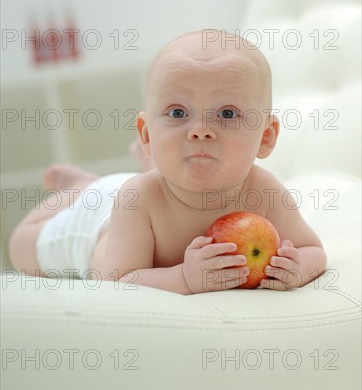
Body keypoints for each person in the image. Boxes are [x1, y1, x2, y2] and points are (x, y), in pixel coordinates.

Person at [8, 29, 327, 294]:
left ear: (266, 137)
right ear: (147, 134)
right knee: (21, 249)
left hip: (145, 187)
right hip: (96, 219)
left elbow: (313, 251)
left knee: (158, 175)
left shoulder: (265, 191)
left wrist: (296, 269)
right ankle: (81, 188)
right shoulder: (138, 199)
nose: (201, 131)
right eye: (178, 113)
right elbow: (115, 281)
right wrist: (184, 278)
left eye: (227, 114)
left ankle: (110, 176)